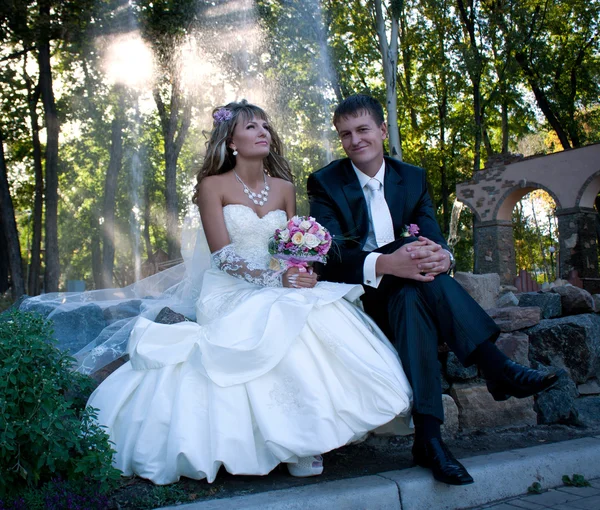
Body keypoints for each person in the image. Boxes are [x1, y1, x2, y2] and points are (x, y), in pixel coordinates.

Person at [85, 100, 413, 485]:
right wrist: (278, 282)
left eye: (265, 126)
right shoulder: (213, 186)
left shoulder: (285, 188)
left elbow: (296, 248)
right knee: (280, 312)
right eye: (251, 126)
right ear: (232, 141)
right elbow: (222, 255)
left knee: (316, 308)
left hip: (279, 281)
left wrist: (302, 272)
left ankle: (308, 438)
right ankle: (295, 444)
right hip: (229, 290)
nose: (262, 132)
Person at [307, 94, 562, 486]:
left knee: (413, 298)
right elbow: (332, 256)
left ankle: (429, 439)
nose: (355, 140)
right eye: (345, 135)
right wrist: (389, 262)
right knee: (402, 258)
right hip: (359, 296)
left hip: (410, 292)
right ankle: (495, 367)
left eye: (362, 130)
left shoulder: (412, 177)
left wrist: (443, 258)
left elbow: (433, 242)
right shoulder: (325, 182)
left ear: (381, 129)